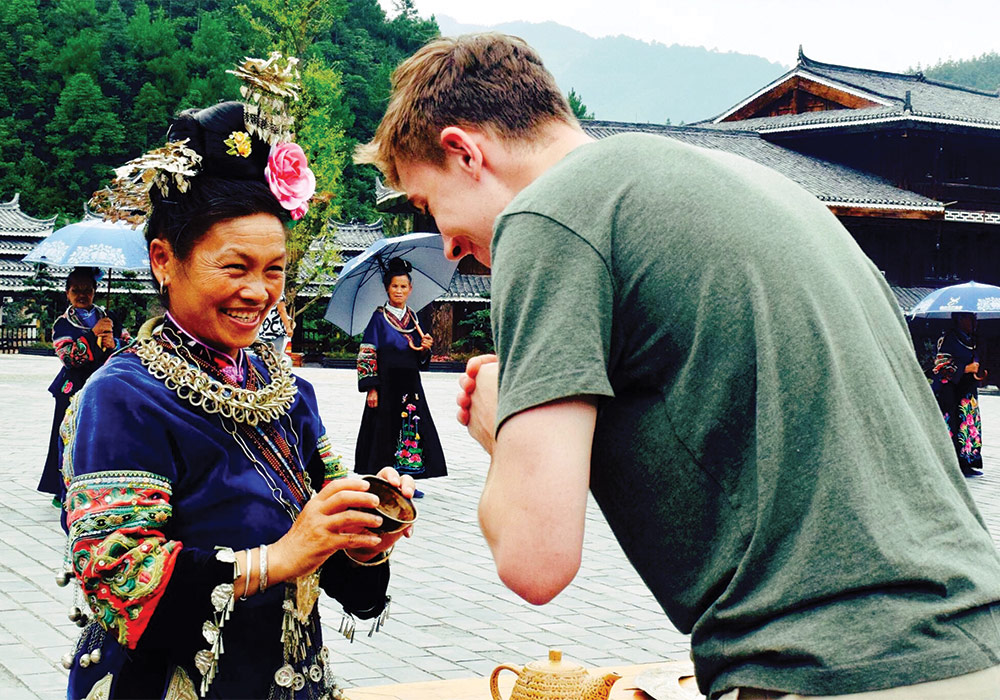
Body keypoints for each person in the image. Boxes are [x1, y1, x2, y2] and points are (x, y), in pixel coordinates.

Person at [356, 33, 1000, 700]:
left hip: (831, 668)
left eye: (431, 207)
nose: (450, 249)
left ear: (465, 152)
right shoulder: (766, 190)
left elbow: (535, 558)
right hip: (975, 639)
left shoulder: (548, 216)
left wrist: (500, 435)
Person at [59, 78, 415, 699]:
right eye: (235, 267)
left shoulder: (289, 394)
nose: (260, 292)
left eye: (274, 269)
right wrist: (280, 557)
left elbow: (332, 566)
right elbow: (118, 581)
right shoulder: (125, 396)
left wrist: (362, 536)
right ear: (164, 260)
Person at [354, 257, 446, 497]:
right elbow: (367, 353)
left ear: (410, 289)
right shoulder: (378, 318)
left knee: (410, 429)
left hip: (409, 386)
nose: (399, 291)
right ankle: (384, 482)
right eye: (395, 286)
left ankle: (407, 481)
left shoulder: (415, 319)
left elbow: (419, 358)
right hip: (385, 385)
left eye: (403, 287)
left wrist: (425, 348)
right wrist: (371, 388)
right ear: (387, 288)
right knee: (383, 432)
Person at [37, 267, 130, 503]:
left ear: (95, 291)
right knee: (67, 438)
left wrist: (114, 342)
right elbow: (67, 356)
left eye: (87, 290)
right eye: (76, 290)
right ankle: (62, 489)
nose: (81, 295)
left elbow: (130, 348)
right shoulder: (62, 324)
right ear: (67, 293)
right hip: (72, 389)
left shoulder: (108, 318)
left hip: (102, 386)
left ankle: (96, 487)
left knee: (98, 437)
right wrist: (92, 336)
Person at [930, 311, 987, 477]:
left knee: (968, 426)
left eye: (975, 318)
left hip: (966, 390)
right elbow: (940, 365)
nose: (974, 322)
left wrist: (976, 370)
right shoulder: (947, 338)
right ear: (960, 319)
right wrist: (965, 369)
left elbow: (974, 360)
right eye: (971, 318)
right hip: (950, 391)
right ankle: (951, 463)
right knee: (952, 424)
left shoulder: (972, 339)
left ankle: (967, 462)